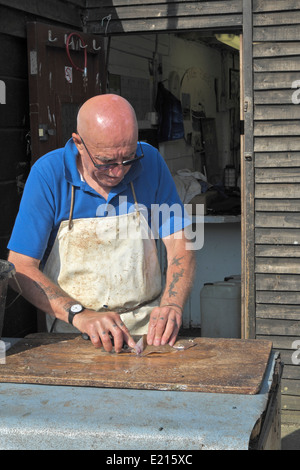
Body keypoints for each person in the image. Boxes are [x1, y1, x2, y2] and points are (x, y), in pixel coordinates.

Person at [7, 94, 195, 353]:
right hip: (73, 333)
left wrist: (173, 304)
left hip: (148, 332)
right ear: (78, 143)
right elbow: (20, 266)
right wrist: (79, 314)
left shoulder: (151, 161)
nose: (118, 171)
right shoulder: (48, 175)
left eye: (128, 158)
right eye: (106, 162)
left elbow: (181, 243)